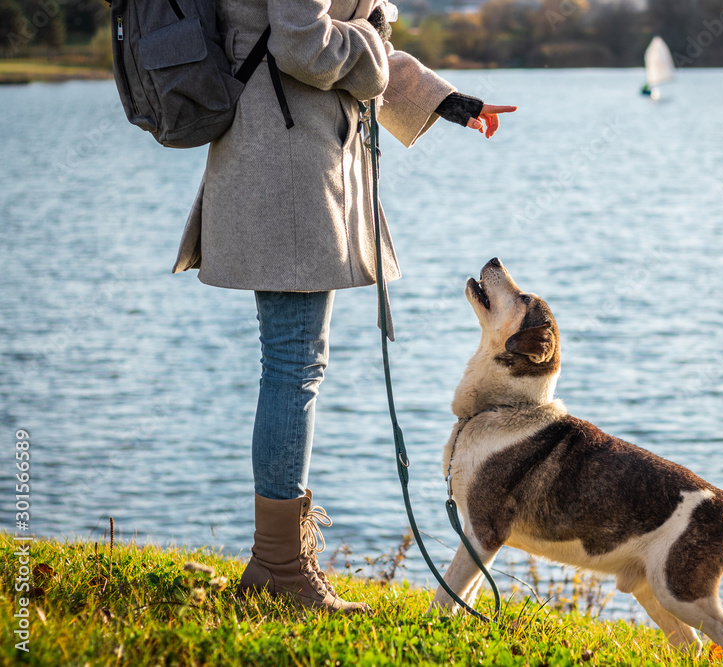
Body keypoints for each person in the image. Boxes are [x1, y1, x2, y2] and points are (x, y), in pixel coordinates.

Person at [171, 0, 516, 613]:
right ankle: (278, 565)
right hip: (285, 167)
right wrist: (374, 46)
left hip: (290, 158)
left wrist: (442, 100)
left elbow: (353, 42)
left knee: (294, 359)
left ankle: (276, 560)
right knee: (293, 362)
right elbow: (305, 45)